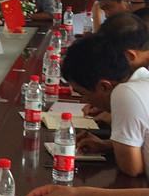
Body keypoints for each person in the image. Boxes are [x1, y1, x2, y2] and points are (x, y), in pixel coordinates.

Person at [56, 35, 149, 178]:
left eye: (82, 94)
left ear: (104, 86)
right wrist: (108, 145)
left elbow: (132, 168)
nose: (84, 101)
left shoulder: (125, 93)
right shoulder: (143, 77)